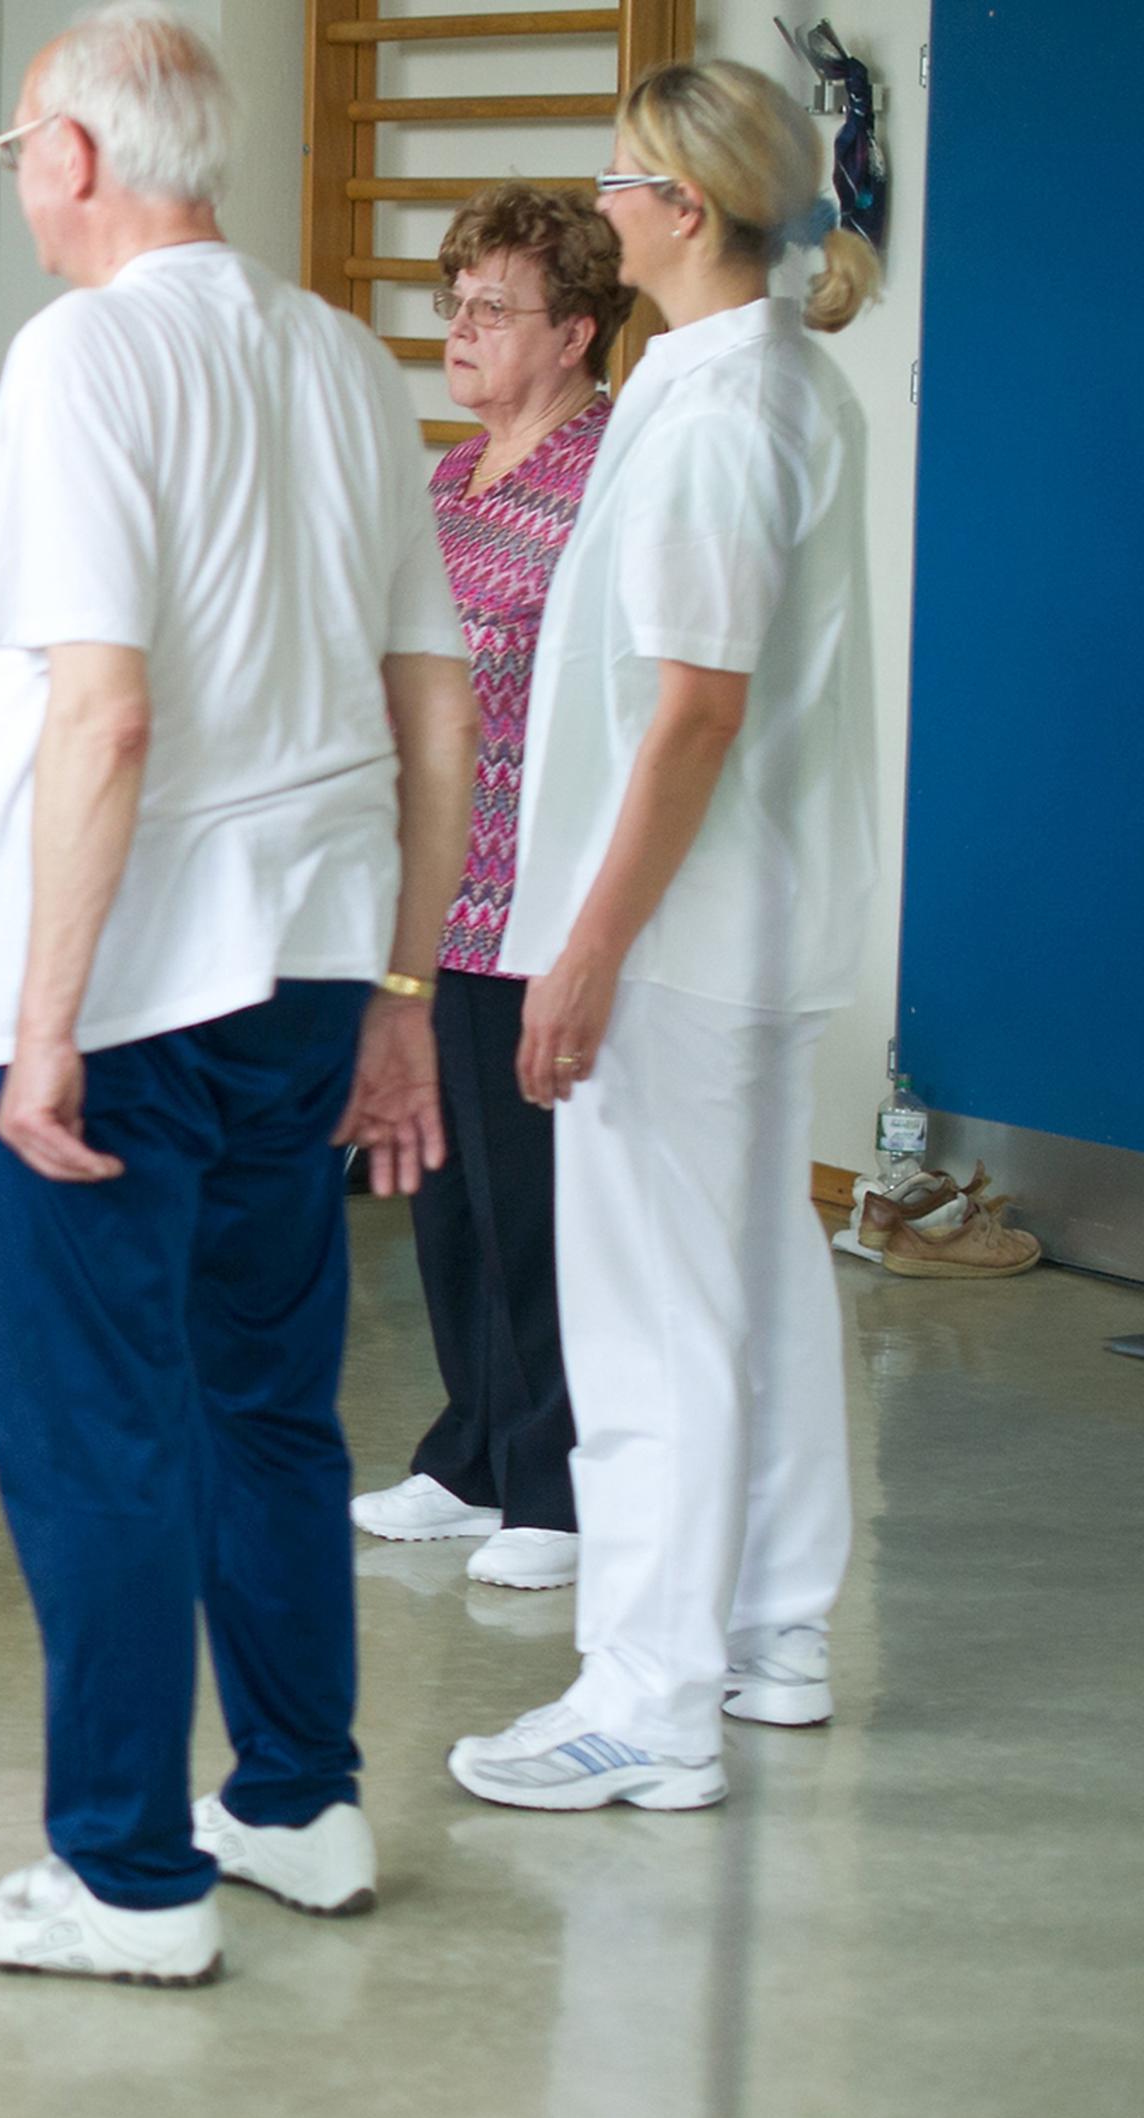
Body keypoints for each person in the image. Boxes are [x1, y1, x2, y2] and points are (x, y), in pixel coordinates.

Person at [0, 5, 479, 1985]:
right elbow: (434, 709)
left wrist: (47, 1017)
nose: (16, 178)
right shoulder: (341, 357)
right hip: (309, 965)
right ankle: (300, 1803)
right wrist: (403, 984)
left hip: (127, 987)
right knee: (265, 1403)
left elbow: (105, 713)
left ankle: (126, 1873)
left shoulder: (80, 359)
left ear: (73, 153)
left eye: (13, 149)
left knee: (97, 1431)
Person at [447, 60, 883, 1813]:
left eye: (621, 178)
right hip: (763, 925)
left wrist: (588, 945)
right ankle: (773, 1633)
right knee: (761, 1289)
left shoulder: (709, 414)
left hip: (681, 938)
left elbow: (693, 711)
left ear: (684, 208)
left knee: (650, 1322)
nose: (602, 199)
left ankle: (647, 1701)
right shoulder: (780, 382)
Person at [349, 184, 631, 1595]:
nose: (457, 327)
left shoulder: (604, 484)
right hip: (434, 895)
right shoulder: (455, 478)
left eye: (491, 308)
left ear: (575, 332)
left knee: (528, 1205)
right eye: (451, 301)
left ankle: (556, 1482)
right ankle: (470, 1451)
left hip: (536, 895)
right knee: (443, 1196)